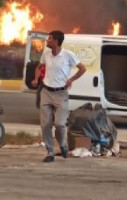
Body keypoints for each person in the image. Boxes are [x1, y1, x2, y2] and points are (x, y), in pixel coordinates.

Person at [39, 30, 86, 162]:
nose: (47, 41)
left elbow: (82, 69)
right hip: (46, 92)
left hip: (61, 94)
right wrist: (37, 78)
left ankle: (63, 145)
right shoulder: (46, 54)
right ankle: (50, 152)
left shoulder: (67, 55)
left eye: (49, 39)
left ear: (56, 41)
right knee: (45, 124)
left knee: (59, 124)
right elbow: (40, 66)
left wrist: (71, 80)